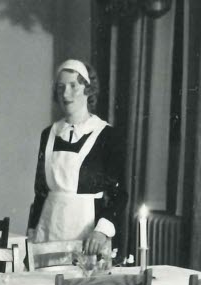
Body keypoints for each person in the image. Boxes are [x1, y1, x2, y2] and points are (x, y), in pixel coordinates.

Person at [27, 59, 127, 255]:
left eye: (73, 86)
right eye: (60, 87)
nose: (65, 94)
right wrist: (31, 232)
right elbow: (40, 193)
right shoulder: (49, 134)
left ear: (88, 89)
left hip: (88, 237)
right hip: (48, 231)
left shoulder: (107, 135)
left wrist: (101, 232)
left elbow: (119, 195)